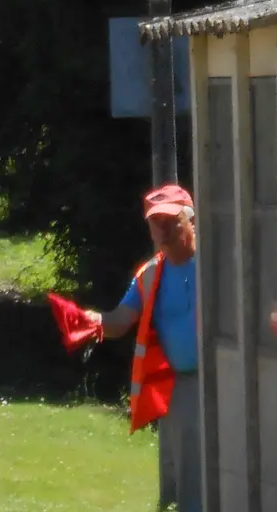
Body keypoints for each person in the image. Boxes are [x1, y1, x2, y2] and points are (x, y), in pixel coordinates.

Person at [88, 184, 201, 512]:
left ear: (189, 220)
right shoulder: (150, 275)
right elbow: (120, 321)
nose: (163, 230)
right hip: (175, 385)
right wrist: (88, 321)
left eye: (170, 220)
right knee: (188, 468)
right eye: (156, 222)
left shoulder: (217, 261)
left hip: (222, 379)